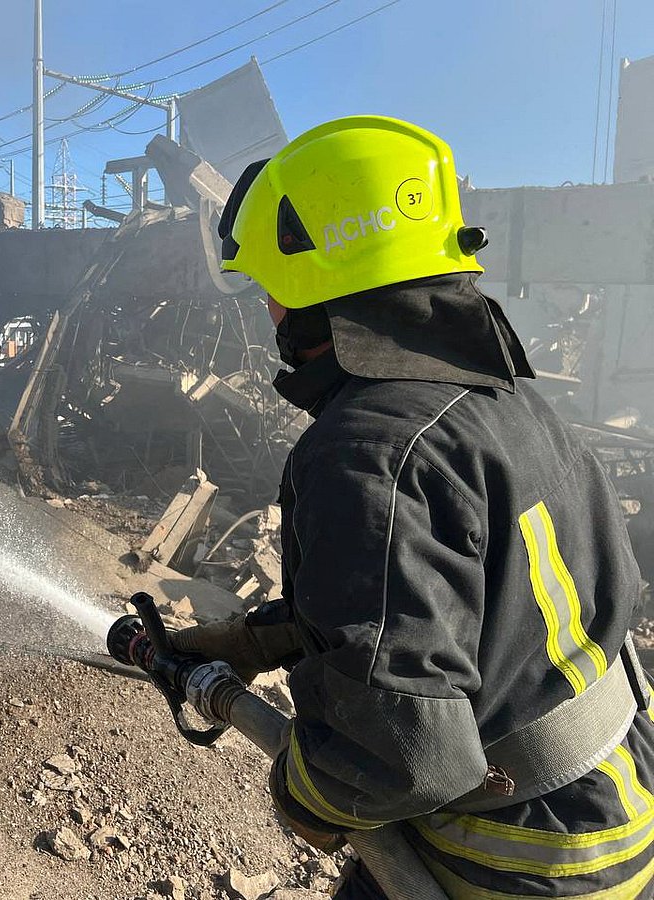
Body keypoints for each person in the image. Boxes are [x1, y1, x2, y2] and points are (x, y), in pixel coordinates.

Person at [170, 115, 654, 899]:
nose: (268, 315)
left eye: (271, 290)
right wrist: (261, 640)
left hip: (516, 861)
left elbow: (398, 757)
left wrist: (305, 796)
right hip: (620, 799)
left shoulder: (367, 451)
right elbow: (465, 603)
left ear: (317, 289)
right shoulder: (508, 403)